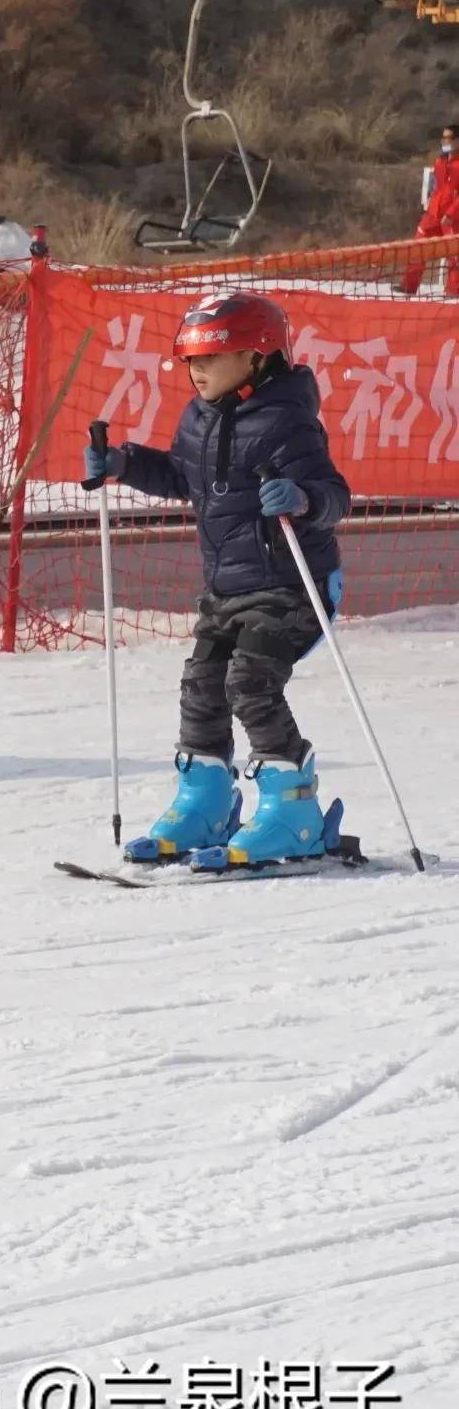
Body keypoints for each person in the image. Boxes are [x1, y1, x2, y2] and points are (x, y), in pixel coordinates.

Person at [85, 290, 351, 869]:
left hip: (293, 584)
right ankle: (204, 800)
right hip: (228, 588)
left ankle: (294, 812)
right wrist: (125, 464)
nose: (197, 370)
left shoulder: (288, 419)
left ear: (257, 357)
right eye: (191, 359)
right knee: (202, 684)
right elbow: (185, 478)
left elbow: (337, 497)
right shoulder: (199, 416)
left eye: (212, 357)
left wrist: (304, 499)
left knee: (249, 682)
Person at [398, 123, 459, 298]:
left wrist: (451, 213)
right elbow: (437, 188)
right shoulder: (440, 161)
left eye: (448, 138)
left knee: (454, 255)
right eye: (443, 138)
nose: (444, 141)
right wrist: (432, 207)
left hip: (452, 217)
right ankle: (408, 286)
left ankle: (454, 291)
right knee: (418, 247)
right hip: (433, 213)